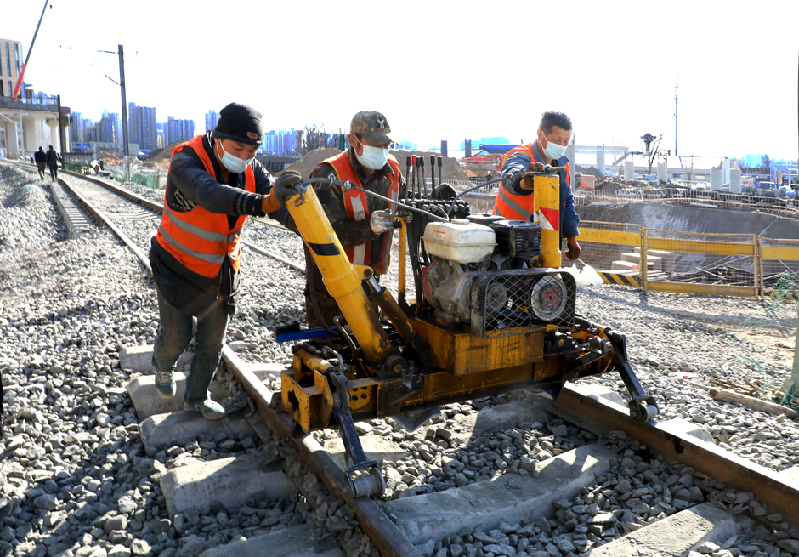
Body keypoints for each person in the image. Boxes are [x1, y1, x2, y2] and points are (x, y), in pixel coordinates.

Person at [148, 102, 295, 419]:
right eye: (237, 147)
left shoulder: (252, 169)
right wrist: (265, 203)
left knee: (212, 341)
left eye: (251, 151)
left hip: (221, 272)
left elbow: (277, 203)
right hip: (176, 265)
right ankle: (163, 364)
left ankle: (196, 398)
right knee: (177, 336)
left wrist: (305, 223)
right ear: (217, 139)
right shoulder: (185, 160)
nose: (244, 157)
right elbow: (211, 194)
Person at [280, 110, 405, 328]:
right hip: (332, 288)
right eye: (375, 144)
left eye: (385, 145)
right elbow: (323, 234)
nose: (382, 151)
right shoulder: (330, 174)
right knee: (331, 350)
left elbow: (405, 206)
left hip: (372, 281)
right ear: (353, 140)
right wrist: (370, 227)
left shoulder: (392, 171)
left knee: (368, 348)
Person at [492, 111, 581, 260]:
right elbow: (511, 175)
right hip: (510, 242)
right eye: (556, 140)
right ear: (540, 134)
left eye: (565, 142)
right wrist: (524, 182)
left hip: (546, 245)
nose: (561, 146)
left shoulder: (561, 164)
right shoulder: (521, 155)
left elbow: (566, 202)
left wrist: (571, 238)